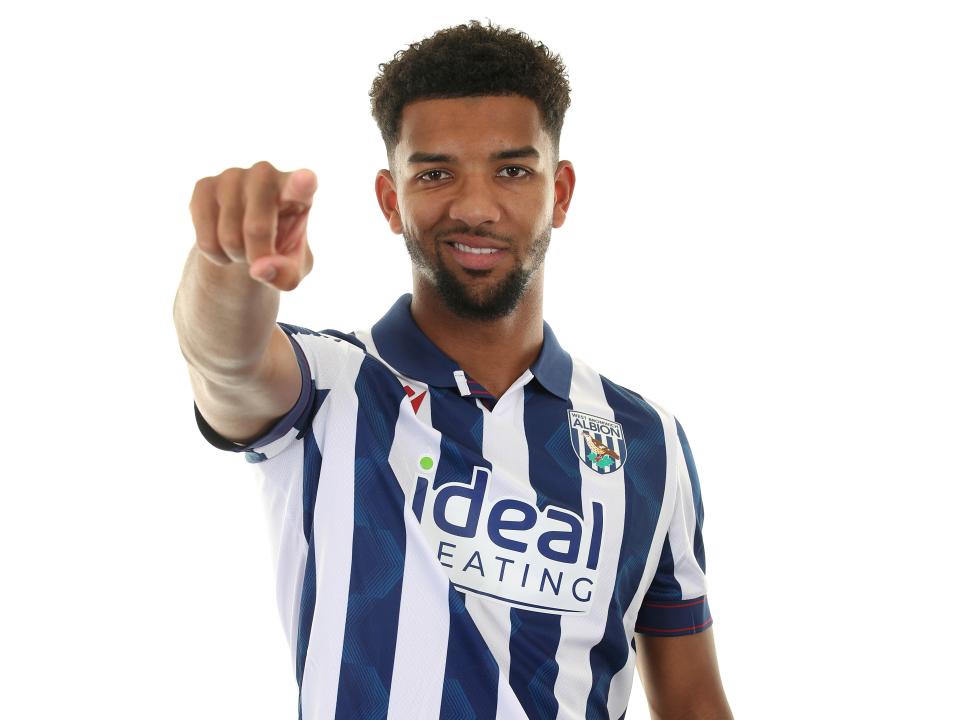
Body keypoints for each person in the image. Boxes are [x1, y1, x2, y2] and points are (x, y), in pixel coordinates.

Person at [173, 19, 733, 720]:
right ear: (389, 200)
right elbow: (226, 362)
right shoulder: (331, 387)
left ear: (559, 192)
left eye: (512, 170)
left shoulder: (646, 441)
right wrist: (226, 264)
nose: (474, 207)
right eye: (435, 173)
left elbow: (693, 702)